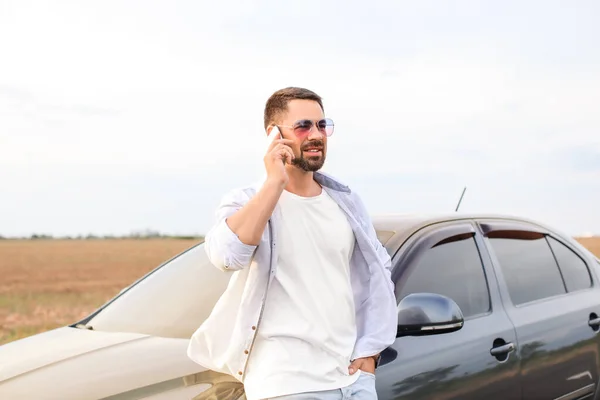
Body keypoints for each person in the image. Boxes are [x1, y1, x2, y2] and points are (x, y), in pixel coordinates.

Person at [187, 87, 398, 400]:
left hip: (352, 381)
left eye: (322, 125)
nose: (316, 134)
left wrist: (370, 353)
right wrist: (275, 181)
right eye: (303, 126)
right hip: (287, 385)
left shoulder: (346, 202)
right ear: (274, 134)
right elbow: (226, 256)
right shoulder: (247, 201)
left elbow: (378, 275)